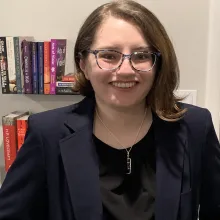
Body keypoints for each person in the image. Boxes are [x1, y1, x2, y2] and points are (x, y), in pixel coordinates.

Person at [0, 0, 220, 219]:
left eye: (141, 56)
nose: (125, 70)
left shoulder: (195, 127)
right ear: (83, 65)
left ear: (158, 65)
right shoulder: (46, 133)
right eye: (108, 55)